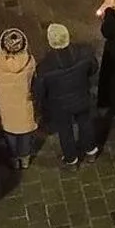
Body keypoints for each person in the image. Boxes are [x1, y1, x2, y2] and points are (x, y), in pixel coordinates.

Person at [34, 24, 99, 165]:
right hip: (81, 97)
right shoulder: (84, 53)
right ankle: (91, 151)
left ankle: (71, 158)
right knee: (85, 122)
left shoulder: (45, 67)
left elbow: (40, 90)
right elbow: (93, 68)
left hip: (60, 106)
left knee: (65, 130)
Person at [0, 28, 38, 169]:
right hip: (24, 104)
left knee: (10, 134)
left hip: (5, 106)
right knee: (25, 133)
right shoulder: (30, 62)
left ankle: (14, 159)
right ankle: (25, 159)